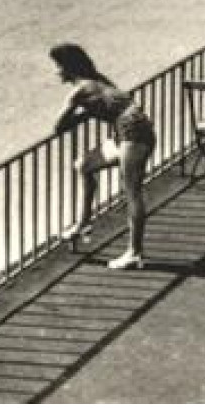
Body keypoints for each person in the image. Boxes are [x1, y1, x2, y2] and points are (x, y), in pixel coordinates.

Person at [50, 44, 155, 271]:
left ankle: (135, 253)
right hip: (131, 129)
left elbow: (57, 127)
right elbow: (114, 104)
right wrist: (86, 112)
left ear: (68, 68)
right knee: (84, 165)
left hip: (132, 133)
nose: (55, 72)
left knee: (132, 192)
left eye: (58, 67)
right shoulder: (98, 81)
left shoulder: (79, 91)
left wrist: (79, 114)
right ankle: (83, 223)